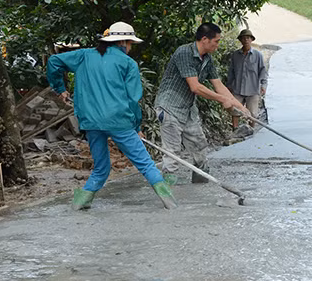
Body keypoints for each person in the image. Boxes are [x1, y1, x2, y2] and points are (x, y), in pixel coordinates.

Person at [47, 22, 176, 210]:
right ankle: (171, 204)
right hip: (119, 121)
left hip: (90, 121)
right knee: (146, 164)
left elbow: (54, 62)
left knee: (101, 168)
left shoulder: (84, 56)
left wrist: (60, 88)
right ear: (123, 42)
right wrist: (137, 127)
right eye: (130, 43)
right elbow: (133, 100)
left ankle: (79, 204)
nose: (130, 48)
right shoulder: (128, 63)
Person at [154, 22, 247, 184]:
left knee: (199, 147)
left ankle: (200, 185)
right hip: (169, 108)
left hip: (188, 108)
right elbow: (195, 87)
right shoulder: (184, 53)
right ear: (205, 39)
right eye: (216, 41)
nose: (218, 45)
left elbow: (219, 86)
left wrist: (242, 108)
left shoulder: (207, 59)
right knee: (172, 153)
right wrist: (222, 100)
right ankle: (167, 196)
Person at [227, 29, 267, 131]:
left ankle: (251, 130)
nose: (246, 40)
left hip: (253, 89)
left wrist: (263, 85)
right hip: (237, 88)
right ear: (240, 40)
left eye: (248, 38)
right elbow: (231, 71)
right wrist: (229, 86)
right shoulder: (236, 55)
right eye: (243, 38)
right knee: (235, 110)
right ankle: (235, 129)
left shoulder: (258, 55)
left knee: (252, 113)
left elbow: (262, 71)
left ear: (251, 40)